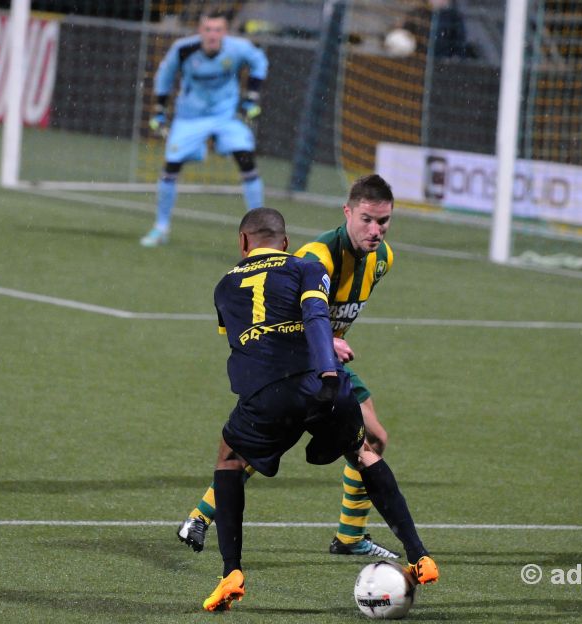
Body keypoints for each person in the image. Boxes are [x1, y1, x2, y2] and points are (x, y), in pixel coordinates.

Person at [201, 207, 438, 611]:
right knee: (363, 452)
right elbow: (314, 315)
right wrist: (328, 373)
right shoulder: (306, 268)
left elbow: (248, 342)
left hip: (266, 395)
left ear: (243, 243)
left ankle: (231, 573)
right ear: (286, 243)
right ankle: (419, 554)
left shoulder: (224, 287)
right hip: (322, 382)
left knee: (229, 458)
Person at [178, 174, 406, 559]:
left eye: (383, 221)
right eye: (366, 219)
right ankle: (200, 516)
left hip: (326, 362)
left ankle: (350, 537)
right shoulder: (316, 257)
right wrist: (326, 341)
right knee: (273, 440)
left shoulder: (382, 260)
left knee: (373, 438)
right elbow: (284, 304)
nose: (375, 230)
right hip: (299, 361)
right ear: (347, 212)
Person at [140, 8, 268, 247]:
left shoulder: (237, 48)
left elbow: (259, 61)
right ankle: (161, 227)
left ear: (225, 32)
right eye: (208, 29)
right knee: (170, 168)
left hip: (224, 116)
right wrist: (159, 110)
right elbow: (164, 77)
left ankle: (261, 234)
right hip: (189, 118)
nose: (212, 35)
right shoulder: (183, 49)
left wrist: (252, 95)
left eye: (217, 30)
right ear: (200, 31)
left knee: (247, 161)